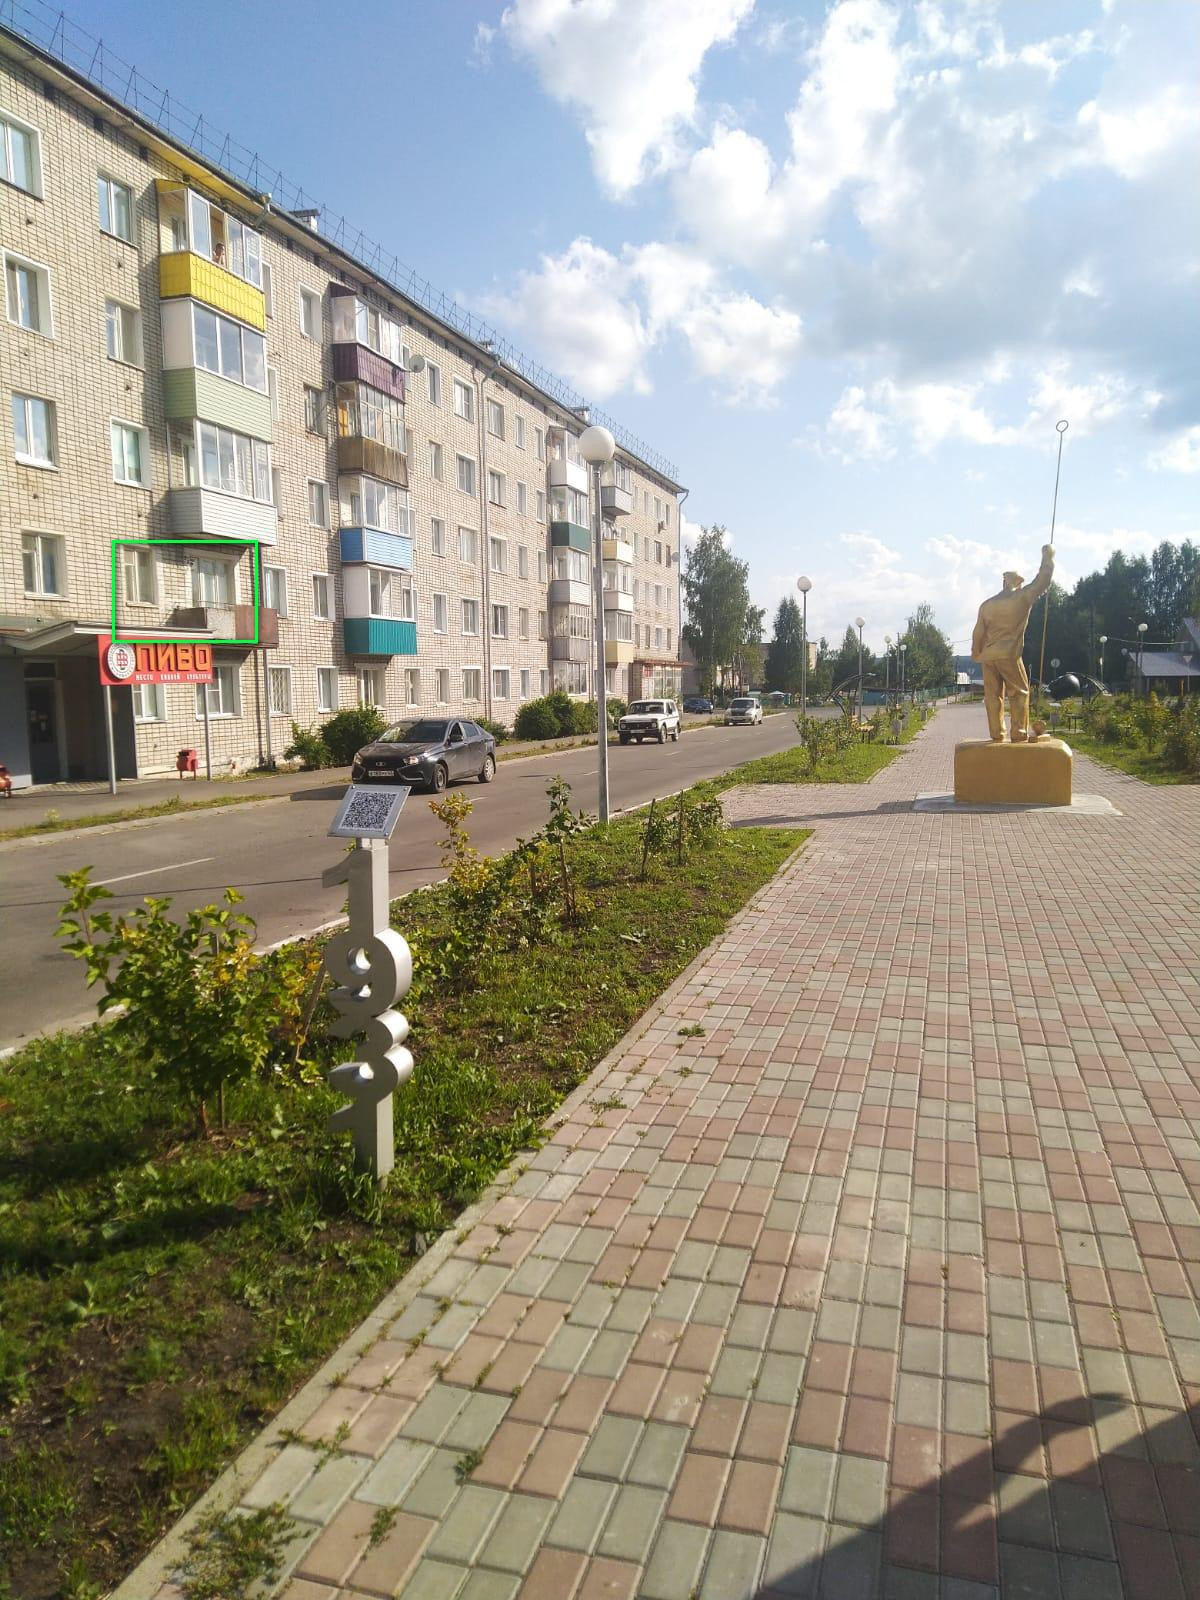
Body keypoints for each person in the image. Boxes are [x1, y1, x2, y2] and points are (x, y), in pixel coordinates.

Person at [971, 545, 1055, 741]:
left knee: (993, 697)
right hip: (1008, 654)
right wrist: (1048, 557)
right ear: (1017, 583)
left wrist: (976, 653)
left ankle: (996, 733)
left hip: (988, 656)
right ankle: (1018, 733)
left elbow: (978, 632)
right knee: (1019, 692)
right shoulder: (1022, 597)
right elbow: (1043, 581)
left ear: (1004, 582)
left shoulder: (987, 605)